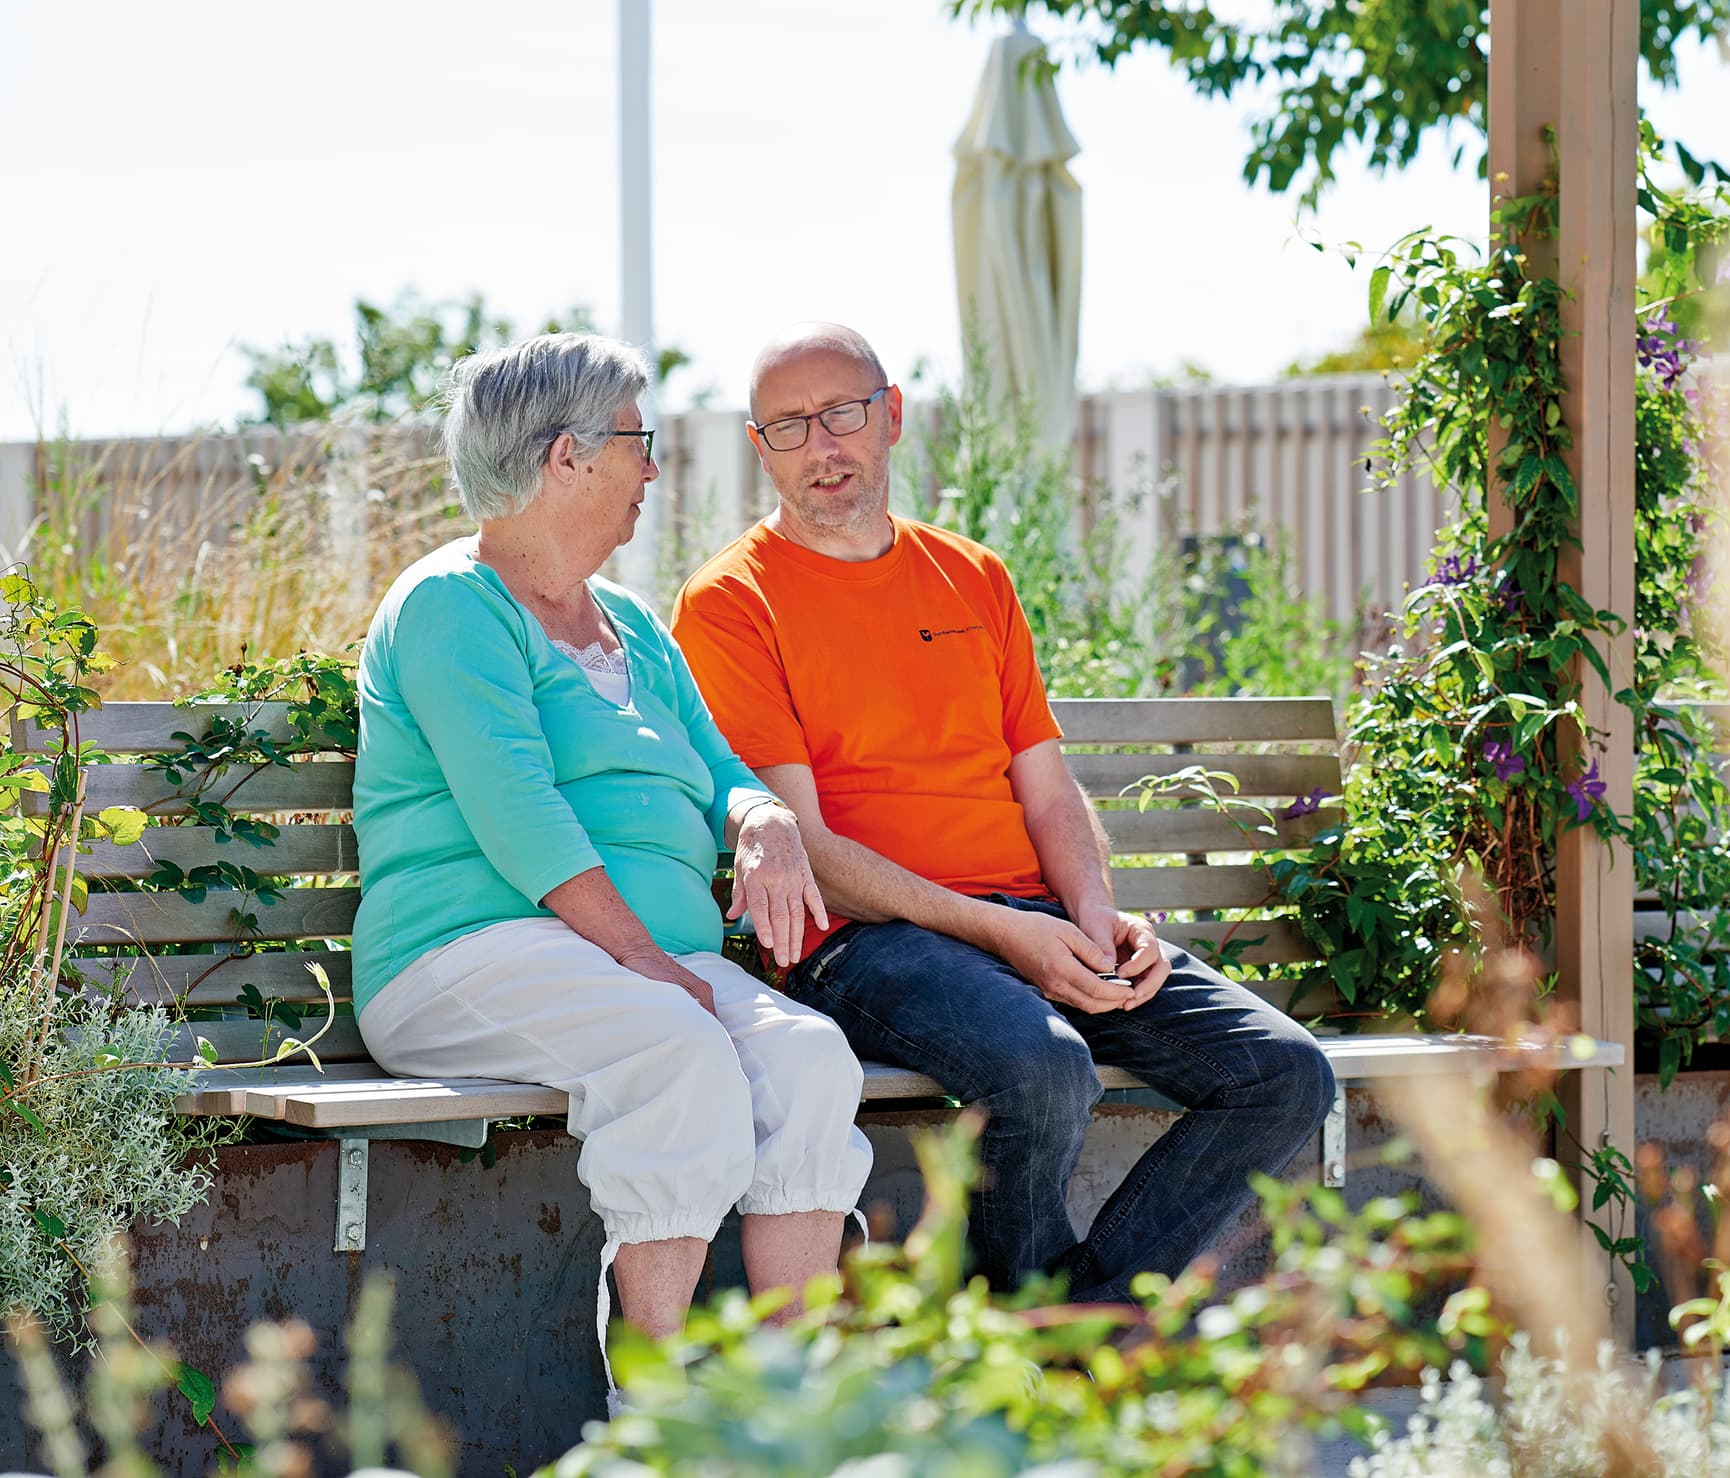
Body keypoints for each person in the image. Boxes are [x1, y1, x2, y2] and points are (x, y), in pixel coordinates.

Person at [671, 323, 1335, 1303]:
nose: (821, 445)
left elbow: (1047, 788)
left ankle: (1065, 1328)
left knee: (1281, 1072)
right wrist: (1006, 932)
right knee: (1040, 1066)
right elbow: (804, 842)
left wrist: (1095, 912)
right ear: (759, 448)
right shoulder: (732, 599)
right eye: (788, 426)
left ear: (889, 414)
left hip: (1028, 917)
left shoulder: (972, 576)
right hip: (862, 941)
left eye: (842, 413)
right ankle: (1048, 1341)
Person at [351, 333, 873, 1386]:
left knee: (811, 1059)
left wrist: (761, 815)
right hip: (462, 953)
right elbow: (520, 816)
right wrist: (652, 964)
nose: (652, 468)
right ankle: (658, 1408)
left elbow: (722, 765)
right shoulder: (451, 603)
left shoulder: (631, 623)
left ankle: (789, 1408)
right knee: (674, 1047)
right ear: (565, 459)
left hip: (629, 965)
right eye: (639, 441)